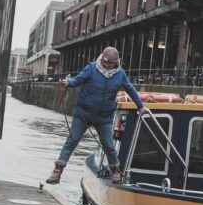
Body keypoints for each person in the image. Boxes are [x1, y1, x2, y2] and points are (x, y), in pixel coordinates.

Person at [46, 47, 150, 185]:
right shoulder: (91, 68)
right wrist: (68, 83)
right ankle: (57, 171)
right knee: (72, 141)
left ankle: (114, 170)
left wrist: (140, 107)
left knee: (108, 145)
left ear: (116, 62)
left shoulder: (121, 74)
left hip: (104, 118)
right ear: (101, 59)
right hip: (83, 115)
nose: (106, 66)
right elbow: (77, 80)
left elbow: (130, 90)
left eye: (110, 63)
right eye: (104, 62)